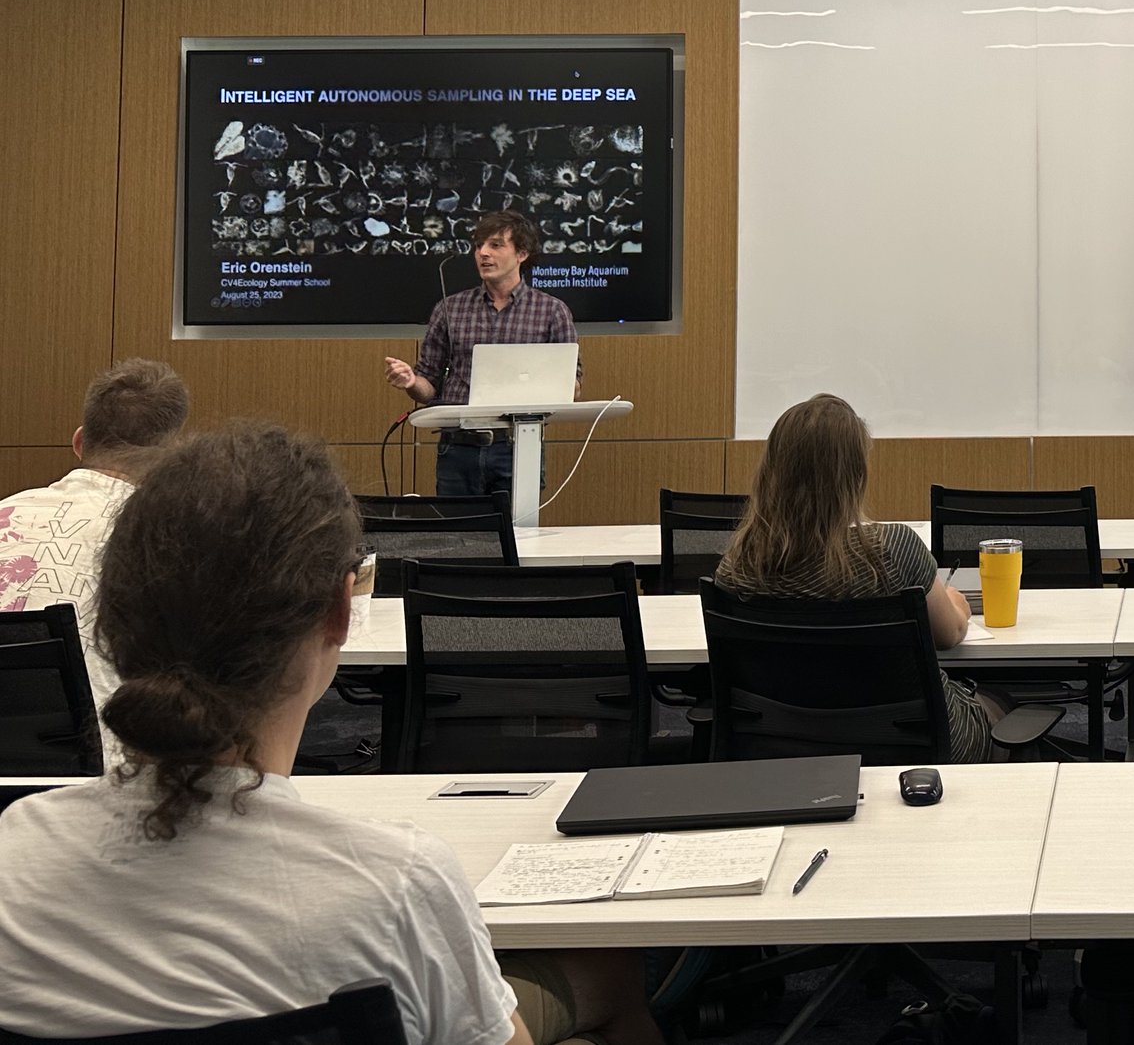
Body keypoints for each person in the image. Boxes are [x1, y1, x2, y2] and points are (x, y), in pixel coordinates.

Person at [0, 422, 663, 1045]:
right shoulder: (397, 885)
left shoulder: (11, 851)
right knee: (610, 977)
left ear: (113, 616)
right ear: (340, 611)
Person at [715, 393, 1002, 763]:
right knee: (1000, 705)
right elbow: (948, 636)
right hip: (910, 746)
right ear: (855, 475)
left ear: (771, 470)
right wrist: (957, 605)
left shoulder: (737, 566)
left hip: (783, 746)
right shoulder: (892, 550)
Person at [0, 358, 189, 767]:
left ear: (80, 442)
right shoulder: (174, 537)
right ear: (174, 456)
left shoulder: (6, 512)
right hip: (105, 770)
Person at [384, 210, 581, 496]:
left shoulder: (552, 311)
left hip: (518, 446)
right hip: (457, 449)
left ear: (522, 253)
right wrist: (411, 382)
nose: (483, 253)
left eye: (496, 245)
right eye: (478, 245)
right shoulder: (450, 309)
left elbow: (573, 388)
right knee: (458, 537)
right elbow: (428, 387)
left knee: (518, 539)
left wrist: (555, 384)